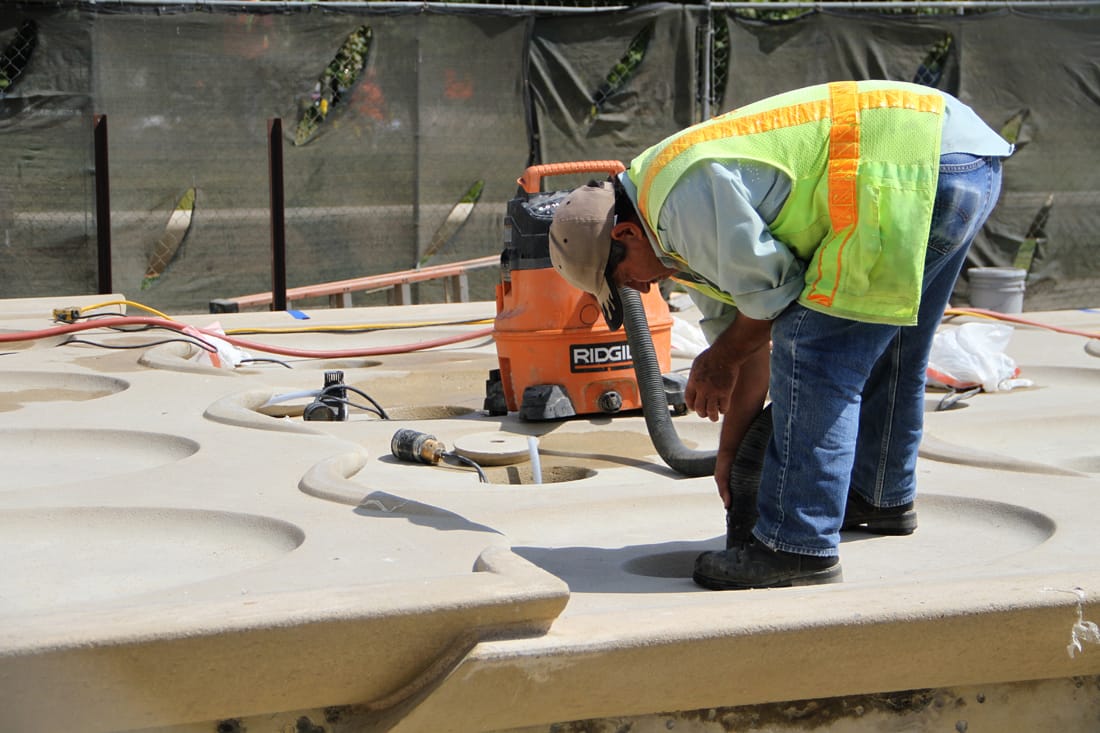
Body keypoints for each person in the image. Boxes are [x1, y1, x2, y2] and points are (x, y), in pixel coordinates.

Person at [547, 80, 1012, 590]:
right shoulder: (673, 235)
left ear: (625, 235)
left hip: (903, 164)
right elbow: (747, 343)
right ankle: (880, 495)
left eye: (623, 278)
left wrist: (720, 358)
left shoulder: (681, 203)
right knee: (893, 349)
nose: (636, 289)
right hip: (957, 158)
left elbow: (771, 311)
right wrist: (730, 455)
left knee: (815, 355)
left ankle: (797, 545)